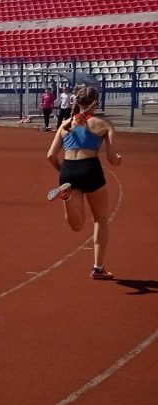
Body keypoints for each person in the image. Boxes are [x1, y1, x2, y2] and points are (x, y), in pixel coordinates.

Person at [46, 85, 122, 280]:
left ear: (76, 102)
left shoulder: (65, 124)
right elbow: (112, 159)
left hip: (68, 171)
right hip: (91, 170)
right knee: (100, 220)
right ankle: (98, 268)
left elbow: (50, 155)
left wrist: (63, 172)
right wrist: (118, 159)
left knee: (77, 225)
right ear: (96, 103)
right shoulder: (104, 124)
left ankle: (67, 194)